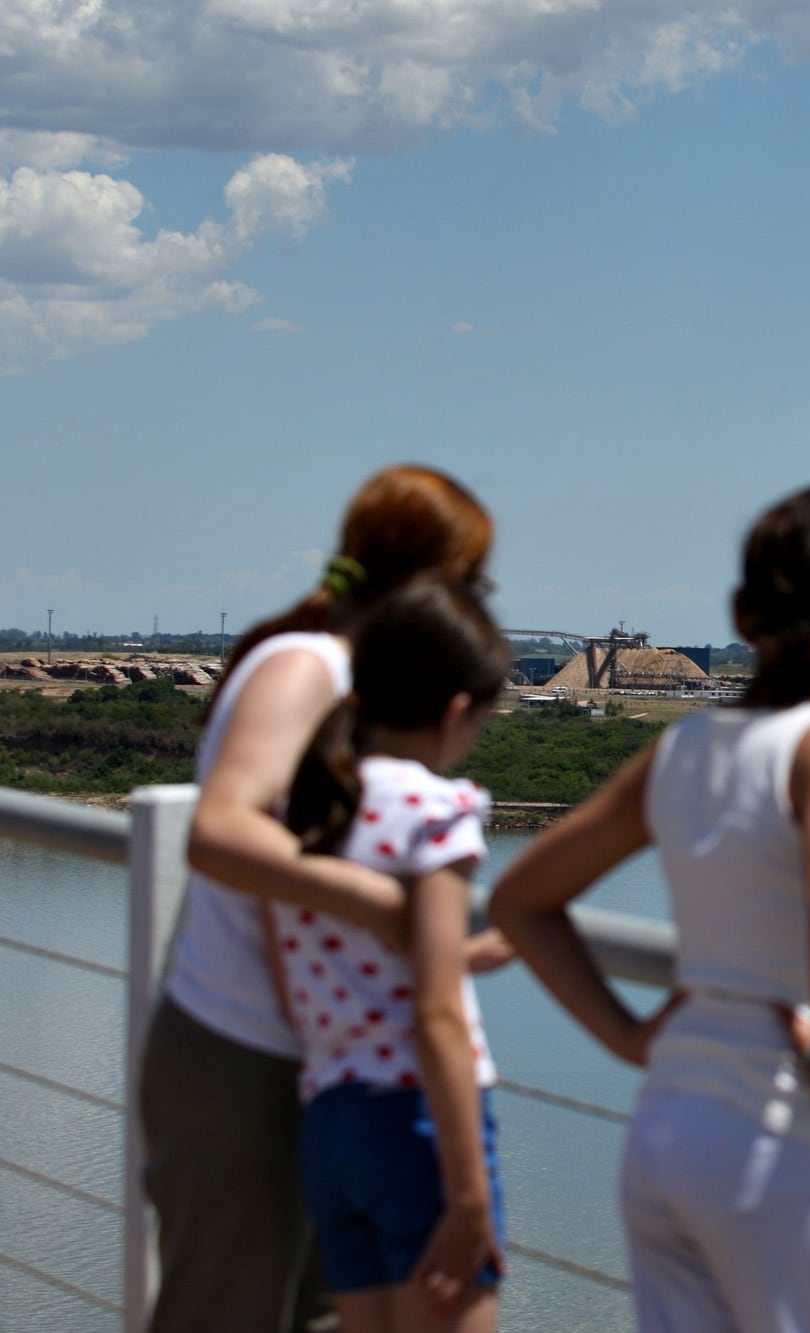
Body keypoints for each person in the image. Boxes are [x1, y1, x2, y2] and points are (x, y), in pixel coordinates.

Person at [491, 486, 810, 1333]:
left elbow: (520, 900)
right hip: (780, 1137)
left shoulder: (681, 747)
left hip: (666, 1131)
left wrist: (632, 1037)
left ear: (741, 615)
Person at [139, 464, 494, 1333]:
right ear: (432, 574)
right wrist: (378, 902)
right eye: (472, 580)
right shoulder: (312, 664)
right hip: (241, 1055)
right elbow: (220, 829)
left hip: (307, 1061)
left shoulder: (335, 664)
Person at [273, 576, 511, 1333]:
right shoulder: (433, 810)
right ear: (453, 711)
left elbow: (316, 969)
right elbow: (436, 1015)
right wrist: (470, 1198)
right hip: (418, 1127)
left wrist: (459, 954)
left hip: (332, 1124)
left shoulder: (312, 805)